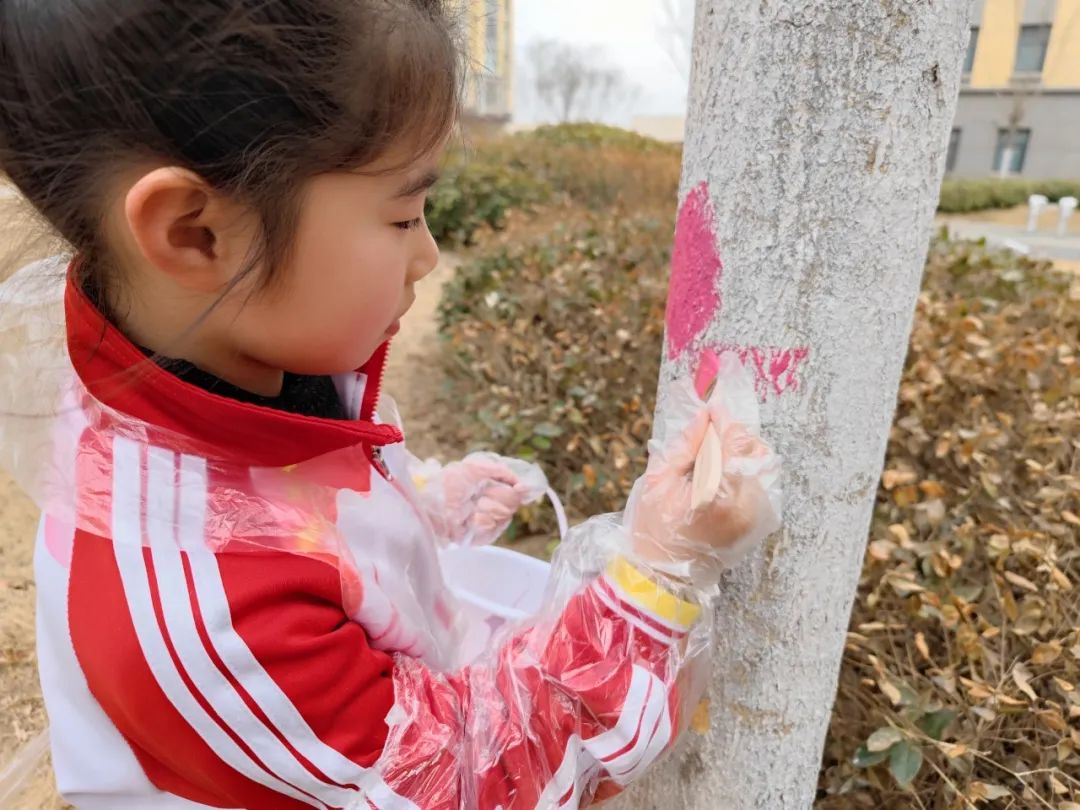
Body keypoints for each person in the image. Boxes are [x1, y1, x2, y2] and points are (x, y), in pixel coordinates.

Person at [0, 1, 781, 807]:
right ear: (197, 233)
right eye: (404, 215)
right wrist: (656, 579)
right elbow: (465, 782)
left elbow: (290, 500)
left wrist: (426, 505)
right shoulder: (206, 611)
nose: (428, 254)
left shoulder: (223, 361)